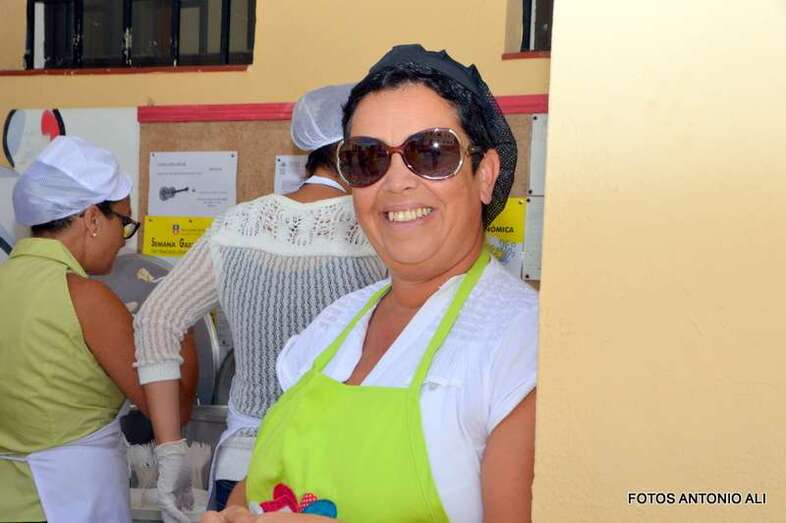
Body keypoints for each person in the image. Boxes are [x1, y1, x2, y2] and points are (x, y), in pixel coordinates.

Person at [200, 44, 538, 523]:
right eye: (368, 158)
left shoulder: (520, 340)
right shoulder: (332, 328)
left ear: (485, 175)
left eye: (432, 152)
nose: (396, 183)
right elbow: (262, 484)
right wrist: (235, 512)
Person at [134, 84, 387, 521]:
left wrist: (171, 452)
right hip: (338, 472)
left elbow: (155, 320)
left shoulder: (237, 225)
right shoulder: (378, 229)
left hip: (243, 467)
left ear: (305, 148)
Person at [0, 136, 197, 522]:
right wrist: (177, 318)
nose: (124, 240)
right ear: (92, 219)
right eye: (124, 222)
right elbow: (174, 409)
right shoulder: (85, 298)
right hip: (71, 502)